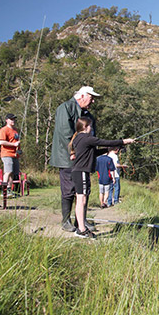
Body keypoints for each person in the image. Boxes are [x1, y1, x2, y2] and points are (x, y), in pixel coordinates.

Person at [70, 117, 134, 238]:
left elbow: (93, 153)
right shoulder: (86, 138)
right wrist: (123, 141)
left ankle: (81, 227)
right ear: (85, 127)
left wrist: (108, 150)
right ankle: (81, 229)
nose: (92, 128)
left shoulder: (79, 139)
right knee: (81, 200)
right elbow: (104, 141)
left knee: (81, 200)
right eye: (91, 126)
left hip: (80, 171)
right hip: (81, 171)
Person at [50, 86, 100, 232]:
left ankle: (81, 221)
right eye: (91, 98)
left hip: (84, 159)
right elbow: (65, 133)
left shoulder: (87, 115)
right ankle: (66, 221)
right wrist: (76, 151)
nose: (93, 101)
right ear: (82, 96)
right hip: (67, 158)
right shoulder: (65, 108)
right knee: (68, 189)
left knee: (84, 190)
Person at [0, 113, 21, 197]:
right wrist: (13, 145)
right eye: (11, 119)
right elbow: (1, 142)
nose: (13, 121)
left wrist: (18, 149)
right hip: (6, 154)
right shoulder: (3, 130)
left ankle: (9, 189)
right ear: (7, 120)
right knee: (8, 171)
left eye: (14, 119)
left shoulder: (15, 130)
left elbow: (16, 142)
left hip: (15, 155)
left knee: (13, 173)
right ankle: (4, 190)